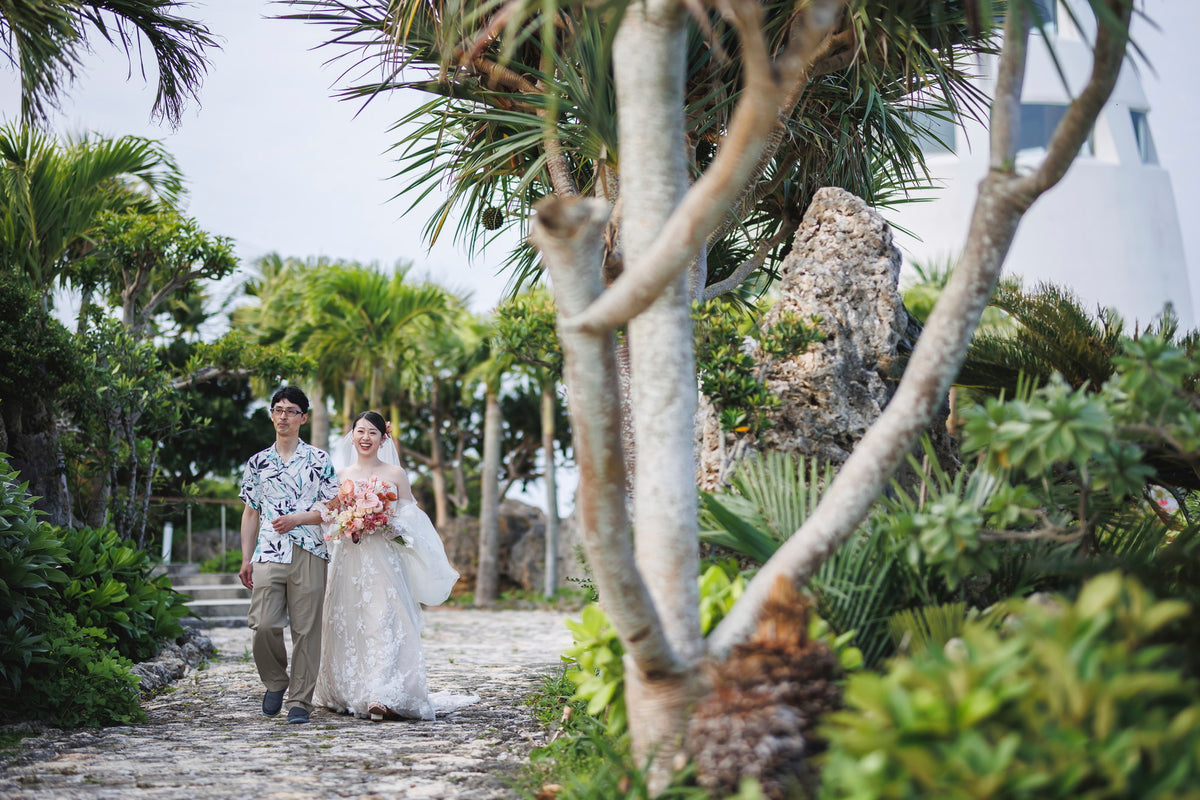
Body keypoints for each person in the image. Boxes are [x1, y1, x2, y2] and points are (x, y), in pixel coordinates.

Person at [313, 410, 466, 721]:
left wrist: (382, 521)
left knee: (383, 618)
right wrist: (346, 522)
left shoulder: (395, 474)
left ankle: (382, 693)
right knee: (348, 618)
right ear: (351, 435)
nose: (366, 437)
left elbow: (411, 518)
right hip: (348, 559)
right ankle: (347, 688)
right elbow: (326, 515)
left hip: (383, 558)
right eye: (360, 431)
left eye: (373, 432)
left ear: (384, 437)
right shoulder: (340, 476)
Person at [238, 386, 339, 725]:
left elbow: (332, 506)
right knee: (263, 624)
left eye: (291, 410)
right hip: (268, 550)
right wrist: (245, 557)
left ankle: (300, 701)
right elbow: (251, 512)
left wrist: (299, 518)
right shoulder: (257, 462)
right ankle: (276, 681)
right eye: (278, 409)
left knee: (307, 630)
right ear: (271, 415)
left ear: (303, 418)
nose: (284, 416)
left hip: (310, 549)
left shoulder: (319, 460)